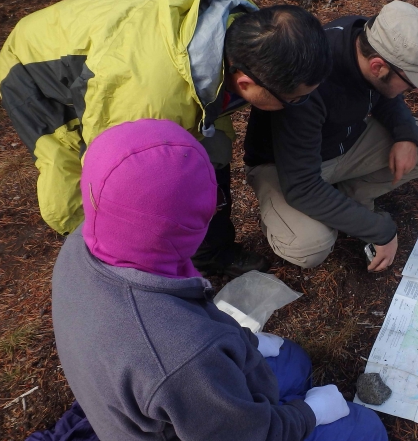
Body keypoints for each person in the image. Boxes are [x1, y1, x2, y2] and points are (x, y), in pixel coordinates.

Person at [49, 119, 388, 441]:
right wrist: (309, 414)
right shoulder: (183, 357)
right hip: (194, 413)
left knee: (293, 363)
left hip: (154, 386)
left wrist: (244, 341)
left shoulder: (83, 244)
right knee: (365, 429)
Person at [0, 0, 333, 277]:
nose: (299, 105)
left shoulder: (256, 32)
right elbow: (109, 168)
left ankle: (211, 253)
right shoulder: (144, 102)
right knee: (92, 183)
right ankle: (114, 270)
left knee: (210, 153)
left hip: (115, 36)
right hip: (36, 67)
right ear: (245, 84)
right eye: (295, 99)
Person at [243, 0, 418, 271]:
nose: (411, 91)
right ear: (378, 66)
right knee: (309, 246)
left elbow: (385, 92)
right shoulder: (307, 82)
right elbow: (301, 186)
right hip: (283, 167)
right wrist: (381, 231)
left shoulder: (367, 38)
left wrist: (405, 135)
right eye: (411, 84)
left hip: (342, 143)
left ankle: (350, 197)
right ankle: (279, 216)